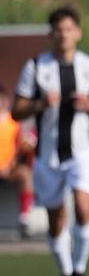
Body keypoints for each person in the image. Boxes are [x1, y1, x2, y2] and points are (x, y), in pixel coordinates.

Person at [12, 5, 89, 276]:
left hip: (82, 153)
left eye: (69, 29)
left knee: (83, 207)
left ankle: (79, 271)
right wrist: (40, 104)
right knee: (56, 221)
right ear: (50, 34)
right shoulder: (36, 67)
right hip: (48, 156)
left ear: (78, 33)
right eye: (58, 30)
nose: (64, 35)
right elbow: (17, 110)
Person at [0, 85, 35, 238]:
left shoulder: (14, 122)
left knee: (25, 174)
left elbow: (20, 148)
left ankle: (24, 219)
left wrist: (9, 165)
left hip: (9, 169)